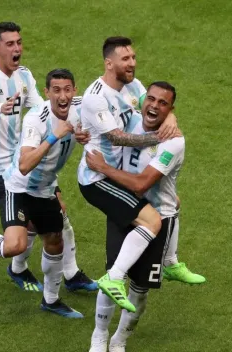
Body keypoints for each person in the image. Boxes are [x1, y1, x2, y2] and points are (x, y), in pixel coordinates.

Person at [0, 69, 87, 318]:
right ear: (46, 93)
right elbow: (24, 164)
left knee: (54, 240)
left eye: (67, 89)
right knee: (14, 245)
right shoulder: (36, 119)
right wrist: (56, 135)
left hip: (45, 189)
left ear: (74, 91)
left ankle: (51, 301)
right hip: (17, 188)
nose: (62, 96)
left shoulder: (83, 107)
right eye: (56, 90)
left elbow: (111, 104)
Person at [0, 21, 96, 292]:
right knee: (23, 232)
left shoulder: (24, 75)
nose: (17, 48)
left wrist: (75, 120)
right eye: (10, 44)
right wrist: (1, 106)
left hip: (22, 158)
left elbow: (43, 110)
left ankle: (66, 275)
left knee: (56, 212)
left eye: (19, 43)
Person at [86, 81, 202, 351]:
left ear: (170, 109)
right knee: (111, 277)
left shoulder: (174, 142)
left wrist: (104, 168)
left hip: (158, 218)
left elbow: (141, 184)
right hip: (125, 209)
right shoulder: (128, 121)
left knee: (140, 288)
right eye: (151, 99)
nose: (155, 106)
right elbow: (94, 107)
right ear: (141, 100)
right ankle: (99, 336)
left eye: (164, 104)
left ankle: (119, 340)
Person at [77, 36, 179, 313]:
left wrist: (171, 118)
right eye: (126, 59)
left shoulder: (132, 85)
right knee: (152, 220)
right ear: (109, 63)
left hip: (115, 174)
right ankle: (114, 278)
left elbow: (153, 105)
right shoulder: (96, 97)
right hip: (97, 178)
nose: (132, 63)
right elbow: (117, 137)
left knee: (168, 204)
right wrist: (159, 136)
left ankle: (168, 263)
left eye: (133, 57)